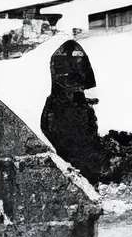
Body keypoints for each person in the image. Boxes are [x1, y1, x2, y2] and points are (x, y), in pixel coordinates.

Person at [40, 38, 111, 182]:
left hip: (75, 160)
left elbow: (46, 128)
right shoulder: (66, 105)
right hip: (77, 160)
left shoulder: (58, 104)